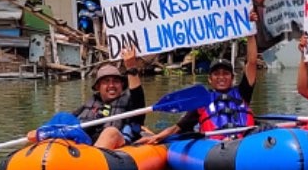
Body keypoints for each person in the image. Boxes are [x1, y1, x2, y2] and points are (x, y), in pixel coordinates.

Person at [142, 10, 260, 143]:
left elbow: (252, 62)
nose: (221, 77)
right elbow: (178, 128)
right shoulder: (201, 100)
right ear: (210, 79)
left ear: (232, 77)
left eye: (225, 73)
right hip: (217, 147)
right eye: (216, 74)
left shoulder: (243, 91)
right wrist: (157, 137)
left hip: (246, 143)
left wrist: (250, 29)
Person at [71, 46, 147, 149]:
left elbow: (138, 100)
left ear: (122, 85)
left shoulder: (129, 101)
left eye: (116, 81)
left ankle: (91, 162)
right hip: (88, 145)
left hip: (118, 146)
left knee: (110, 132)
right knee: (62, 117)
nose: (111, 85)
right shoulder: (91, 102)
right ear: (98, 87)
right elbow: (70, 121)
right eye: (106, 81)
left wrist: (131, 68)